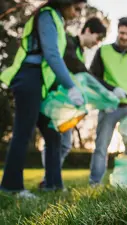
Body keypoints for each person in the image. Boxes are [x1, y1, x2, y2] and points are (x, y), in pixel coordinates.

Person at [0, 0, 87, 198]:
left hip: (40, 84)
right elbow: (51, 55)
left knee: (53, 134)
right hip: (28, 77)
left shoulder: (57, 19)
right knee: (23, 132)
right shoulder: (47, 15)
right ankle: (11, 187)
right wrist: (70, 86)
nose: (77, 14)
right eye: (76, 9)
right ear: (66, 3)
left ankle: (53, 185)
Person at [39, 17, 107, 188]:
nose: (96, 43)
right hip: (54, 99)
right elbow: (76, 67)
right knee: (55, 141)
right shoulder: (69, 42)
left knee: (64, 144)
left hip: (67, 103)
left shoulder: (80, 51)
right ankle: (50, 179)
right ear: (88, 30)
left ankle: (50, 178)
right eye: (97, 38)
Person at [89, 16, 127, 186]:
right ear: (118, 31)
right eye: (122, 33)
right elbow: (92, 77)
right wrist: (111, 89)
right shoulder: (104, 51)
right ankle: (95, 182)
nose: (124, 37)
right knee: (101, 145)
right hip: (109, 105)